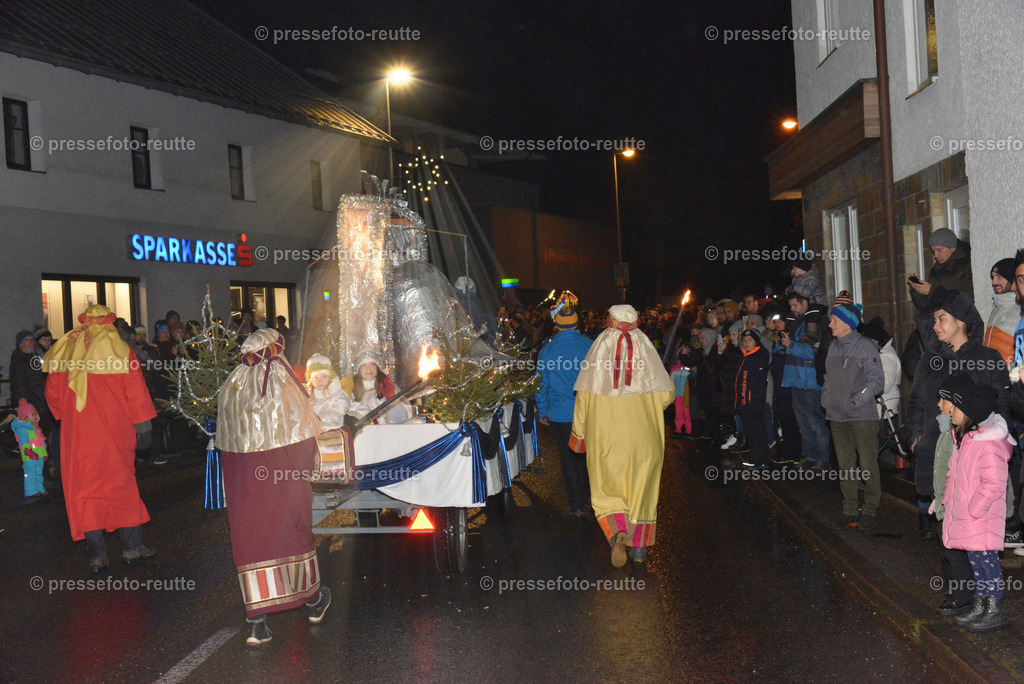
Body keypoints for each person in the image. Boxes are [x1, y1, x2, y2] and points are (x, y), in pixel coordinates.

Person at [216, 328, 330, 648]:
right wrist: (310, 469)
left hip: (245, 493)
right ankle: (313, 601)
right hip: (282, 485)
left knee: (253, 542)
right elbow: (304, 442)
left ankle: (257, 623)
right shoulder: (283, 388)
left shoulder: (232, 391)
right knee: (292, 536)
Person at [43, 305, 157, 573]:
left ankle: (97, 556)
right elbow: (137, 394)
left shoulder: (66, 348)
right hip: (114, 435)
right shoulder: (120, 350)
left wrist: (66, 416)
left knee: (86, 493)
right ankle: (131, 549)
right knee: (122, 488)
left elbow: (53, 398)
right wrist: (144, 430)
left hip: (78, 437)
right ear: (108, 323)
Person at [570, 305, 674, 568]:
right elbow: (666, 396)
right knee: (643, 491)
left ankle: (618, 531)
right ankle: (639, 549)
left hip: (606, 438)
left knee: (607, 490)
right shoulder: (646, 349)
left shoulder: (599, 348)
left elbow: (582, 398)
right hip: (645, 439)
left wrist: (579, 436)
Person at [910, 287, 1009, 540]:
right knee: (949, 536)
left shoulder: (987, 358)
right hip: (939, 450)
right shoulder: (931, 361)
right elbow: (920, 401)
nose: (935, 326)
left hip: (976, 458)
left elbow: (1001, 405)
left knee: (973, 531)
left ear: (961, 321)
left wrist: (995, 444)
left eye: (941, 319)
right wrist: (918, 437)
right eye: (933, 320)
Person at [936, 375, 1012, 633]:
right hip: (969, 518)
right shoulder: (967, 438)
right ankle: (980, 605)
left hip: (980, 518)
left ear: (969, 412)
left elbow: (994, 483)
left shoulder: (988, 445)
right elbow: (953, 473)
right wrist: (948, 499)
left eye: (954, 407)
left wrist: (974, 509)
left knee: (987, 565)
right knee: (977, 565)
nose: (950, 411)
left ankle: (994, 609)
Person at [821, 292, 885, 531]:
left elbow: (877, 380)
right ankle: (849, 509)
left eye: (834, 321)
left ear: (848, 323)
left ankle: (869, 509)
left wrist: (857, 402)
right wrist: (827, 399)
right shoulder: (833, 347)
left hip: (861, 417)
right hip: (836, 417)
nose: (830, 325)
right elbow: (828, 378)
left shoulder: (866, 347)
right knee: (845, 466)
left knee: (867, 464)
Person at [536, 292, 594, 516]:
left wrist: (543, 411)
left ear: (557, 326)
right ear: (578, 325)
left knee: (568, 458)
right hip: (588, 412)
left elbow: (541, 384)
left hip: (560, 414)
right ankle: (592, 500)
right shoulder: (590, 347)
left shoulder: (547, 351)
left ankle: (576, 505)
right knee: (589, 456)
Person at [930, 376, 974, 617]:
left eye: (943, 401)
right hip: (943, 504)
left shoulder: (961, 436)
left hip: (955, 506)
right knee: (947, 552)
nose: (938, 404)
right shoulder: (947, 430)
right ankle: (954, 591)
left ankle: (963, 597)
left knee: (956, 555)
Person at [781, 291, 830, 470]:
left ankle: (823, 458)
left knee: (815, 421)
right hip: (795, 378)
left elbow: (813, 352)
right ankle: (809, 455)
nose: (792, 309)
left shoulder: (815, 322)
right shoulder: (796, 322)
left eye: (795, 305)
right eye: (791, 306)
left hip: (809, 380)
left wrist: (790, 345)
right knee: (802, 422)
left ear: (805, 303)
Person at [909, 227, 974, 311]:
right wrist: (917, 290)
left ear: (952, 247)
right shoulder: (936, 270)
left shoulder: (967, 265)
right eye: (933, 252)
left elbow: (965, 299)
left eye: (939, 250)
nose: (935, 255)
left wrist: (932, 291)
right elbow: (927, 307)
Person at [735, 329, 771, 467]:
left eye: (750, 340)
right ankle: (755, 457)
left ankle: (761, 459)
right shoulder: (745, 356)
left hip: (753, 402)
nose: (746, 343)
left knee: (757, 431)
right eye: (744, 340)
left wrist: (754, 402)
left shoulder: (759, 356)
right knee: (750, 430)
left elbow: (758, 382)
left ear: (756, 341)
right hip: (744, 402)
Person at [346, 351, 412, 424]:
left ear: (377, 367)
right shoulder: (350, 391)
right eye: (363, 365)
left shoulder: (387, 386)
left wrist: (391, 398)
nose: (368, 369)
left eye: (372, 364)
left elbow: (400, 419)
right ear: (358, 369)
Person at [9, 399, 49, 499]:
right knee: (30, 472)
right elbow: (24, 443)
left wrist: (45, 451)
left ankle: (40, 489)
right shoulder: (22, 429)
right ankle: (31, 491)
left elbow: (41, 440)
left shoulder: (35, 427)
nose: (35, 417)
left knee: (39, 471)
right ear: (25, 417)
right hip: (30, 455)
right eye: (32, 415)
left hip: (38, 454)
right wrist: (28, 451)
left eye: (35, 414)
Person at [983, 258, 1018, 369]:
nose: (994, 282)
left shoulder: (1020, 310)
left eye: (999, 277)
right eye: (993, 277)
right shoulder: (996, 309)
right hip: (993, 379)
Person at [305, 353, 351, 429]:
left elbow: (340, 409)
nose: (320, 381)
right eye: (316, 377)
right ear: (310, 380)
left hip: (333, 429)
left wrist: (320, 419)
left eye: (324, 376)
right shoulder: (307, 395)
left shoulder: (337, 393)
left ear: (330, 377)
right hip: (313, 429)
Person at [670, 351, 693, 438]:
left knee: (687, 413)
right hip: (677, 395)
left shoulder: (687, 368)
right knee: (678, 412)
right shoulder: (675, 368)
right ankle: (678, 429)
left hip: (686, 395)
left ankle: (688, 430)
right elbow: (671, 381)